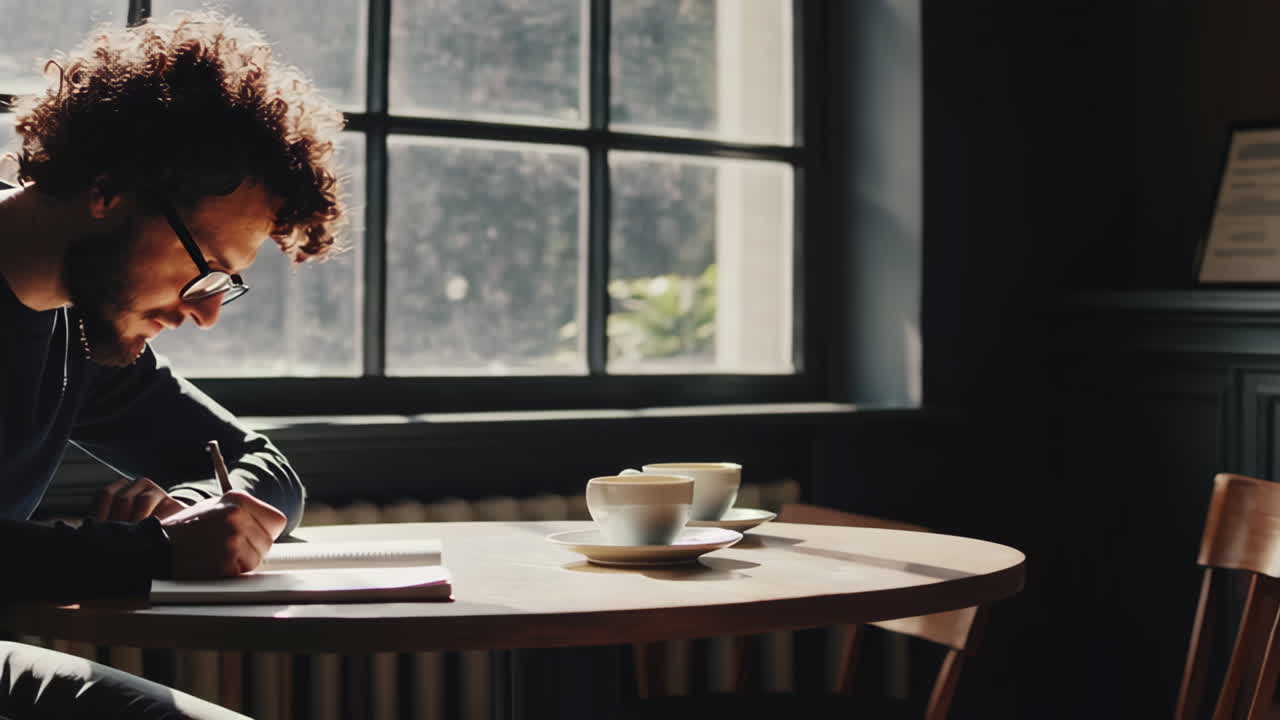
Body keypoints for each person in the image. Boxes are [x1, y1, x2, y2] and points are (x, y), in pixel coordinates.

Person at [0, 10, 346, 718]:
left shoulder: (81, 329)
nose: (207, 313)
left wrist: (195, 511)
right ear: (108, 190)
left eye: (227, 284)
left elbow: (264, 467)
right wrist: (153, 551)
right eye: (205, 269)